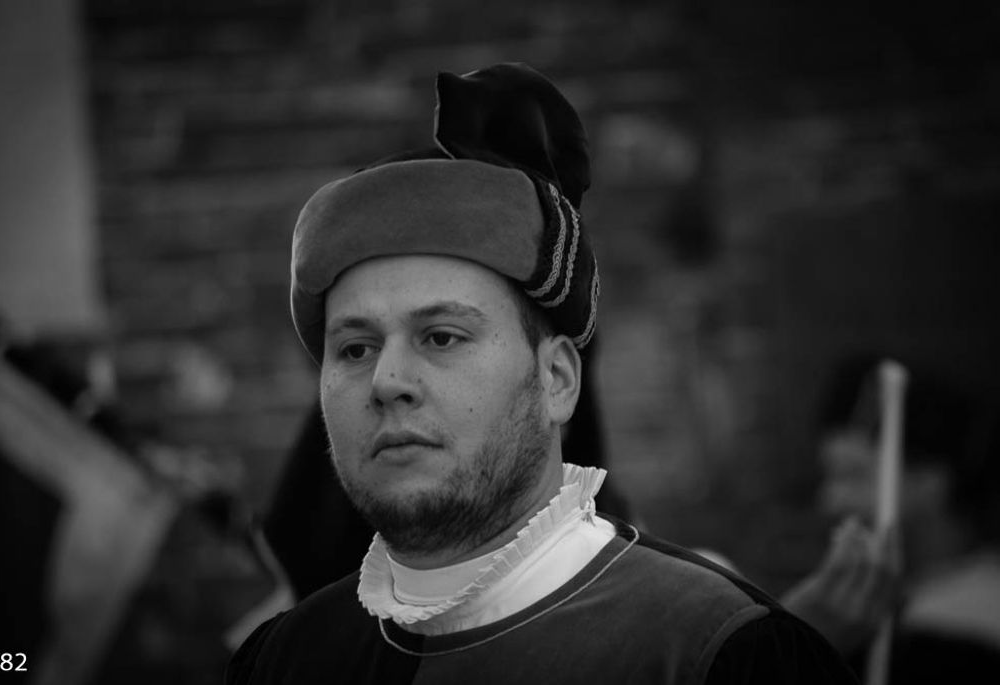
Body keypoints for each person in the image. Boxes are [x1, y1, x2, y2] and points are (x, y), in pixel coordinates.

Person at [225, 62, 857, 685]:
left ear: (557, 379)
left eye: (441, 336)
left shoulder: (719, 649)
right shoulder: (282, 662)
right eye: (355, 349)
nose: (387, 381)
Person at [782, 354, 1000, 682]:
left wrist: (797, 647)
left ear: (931, 480)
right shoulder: (892, 615)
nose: (828, 500)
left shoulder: (961, 639)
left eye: (851, 475)